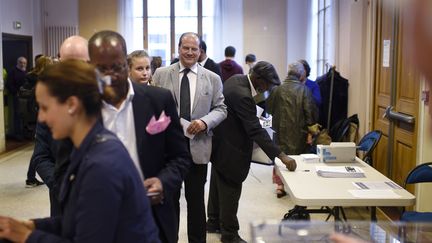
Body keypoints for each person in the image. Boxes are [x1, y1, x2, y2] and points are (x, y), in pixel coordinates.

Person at [0, 60, 160, 243]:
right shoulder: (91, 146)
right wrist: (34, 226)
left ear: (72, 105)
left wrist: (27, 237)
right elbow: (84, 221)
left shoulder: (101, 165)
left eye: (45, 108)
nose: (41, 117)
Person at [88, 30, 192, 243]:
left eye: (116, 67)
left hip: (152, 215)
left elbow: (180, 157)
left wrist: (162, 182)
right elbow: (65, 168)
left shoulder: (159, 100)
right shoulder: (81, 106)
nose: (110, 75)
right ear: (91, 68)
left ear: (126, 65)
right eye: (102, 69)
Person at [207, 61, 297, 243]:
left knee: (218, 185)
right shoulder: (243, 95)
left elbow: (247, 118)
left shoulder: (235, 80)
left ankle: (213, 222)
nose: (268, 88)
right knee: (231, 190)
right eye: (267, 84)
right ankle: (229, 235)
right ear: (258, 79)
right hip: (232, 150)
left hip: (221, 146)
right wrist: (281, 155)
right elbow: (255, 130)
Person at [153, 32, 227, 243]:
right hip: (168, 149)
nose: (190, 52)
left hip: (198, 146)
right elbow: (153, 106)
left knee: (195, 201)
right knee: (169, 199)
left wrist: (205, 122)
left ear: (200, 52)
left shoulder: (212, 78)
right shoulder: (161, 73)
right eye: (186, 48)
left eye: (194, 49)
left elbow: (221, 108)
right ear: (178, 48)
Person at [30, 35, 90, 216]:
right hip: (61, 201)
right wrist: (62, 188)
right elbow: (41, 156)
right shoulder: (49, 102)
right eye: (68, 64)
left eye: (80, 64)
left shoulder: (107, 100)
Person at [267, 61, 318, 197]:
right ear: (301, 75)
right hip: (298, 133)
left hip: (279, 131)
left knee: (280, 156)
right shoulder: (304, 90)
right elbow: (310, 115)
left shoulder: (277, 89)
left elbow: (269, 110)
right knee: (297, 159)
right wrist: (312, 132)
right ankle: (297, 186)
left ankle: (280, 186)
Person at [23, 56, 53, 188]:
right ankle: (30, 177)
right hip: (39, 115)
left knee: (39, 148)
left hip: (35, 114)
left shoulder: (31, 77)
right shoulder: (42, 80)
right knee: (39, 150)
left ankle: (30, 176)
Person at [6, 56, 28, 140]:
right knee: (18, 115)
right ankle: (18, 134)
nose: (23, 64)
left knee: (25, 116)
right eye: (21, 62)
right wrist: (16, 92)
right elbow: (9, 84)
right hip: (17, 96)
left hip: (26, 97)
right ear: (17, 62)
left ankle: (25, 133)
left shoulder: (26, 72)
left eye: (24, 63)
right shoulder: (12, 71)